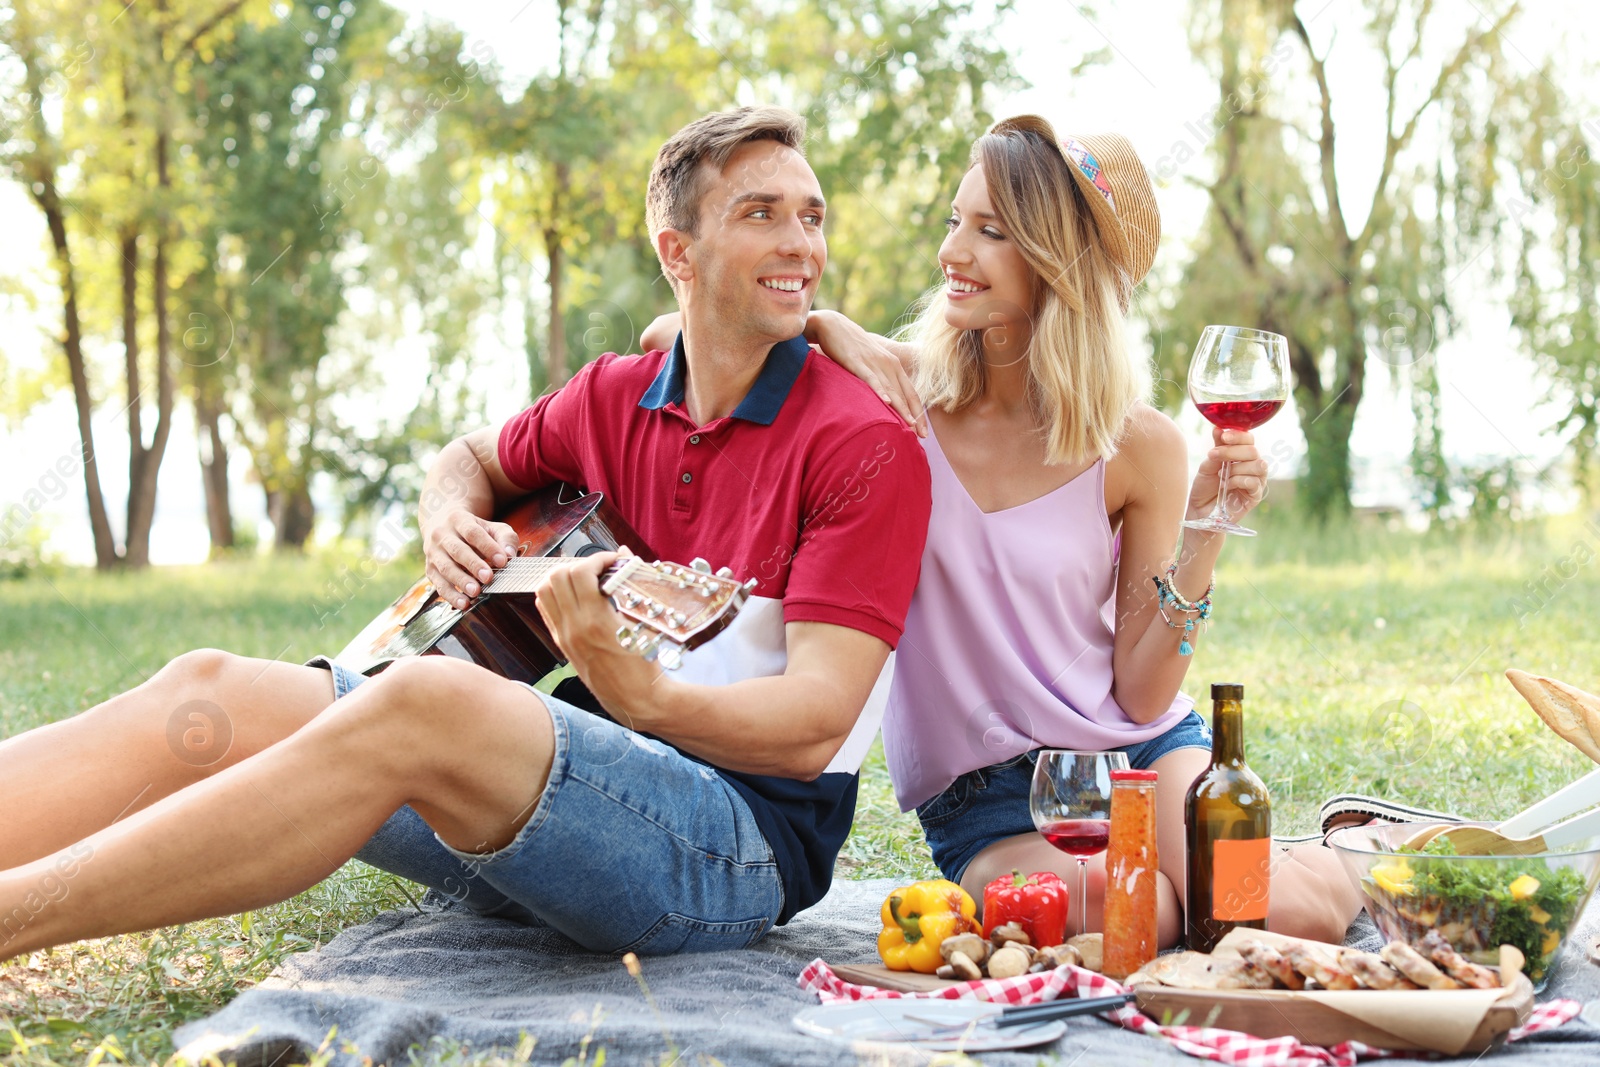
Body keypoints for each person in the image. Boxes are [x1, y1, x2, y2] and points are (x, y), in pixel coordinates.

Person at [0, 106, 931, 962]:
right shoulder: (613, 394)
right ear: (676, 251)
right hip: (550, 803)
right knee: (214, 688)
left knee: (427, 702)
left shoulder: (865, 445)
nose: (801, 243)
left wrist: (640, 694)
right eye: (761, 214)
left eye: (811, 216)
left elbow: (816, 725)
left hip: (729, 850)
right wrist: (447, 516)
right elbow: (470, 456)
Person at [644, 115, 1363, 946]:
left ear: (1060, 264)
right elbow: (682, 335)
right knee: (1144, 913)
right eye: (957, 221)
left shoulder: (1141, 446)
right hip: (987, 798)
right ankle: (1261, 862)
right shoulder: (893, 391)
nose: (954, 252)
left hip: (1138, 756)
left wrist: (1207, 529)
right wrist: (821, 325)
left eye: (991, 231)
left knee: (1283, 910)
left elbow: (1142, 692)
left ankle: (1350, 850)